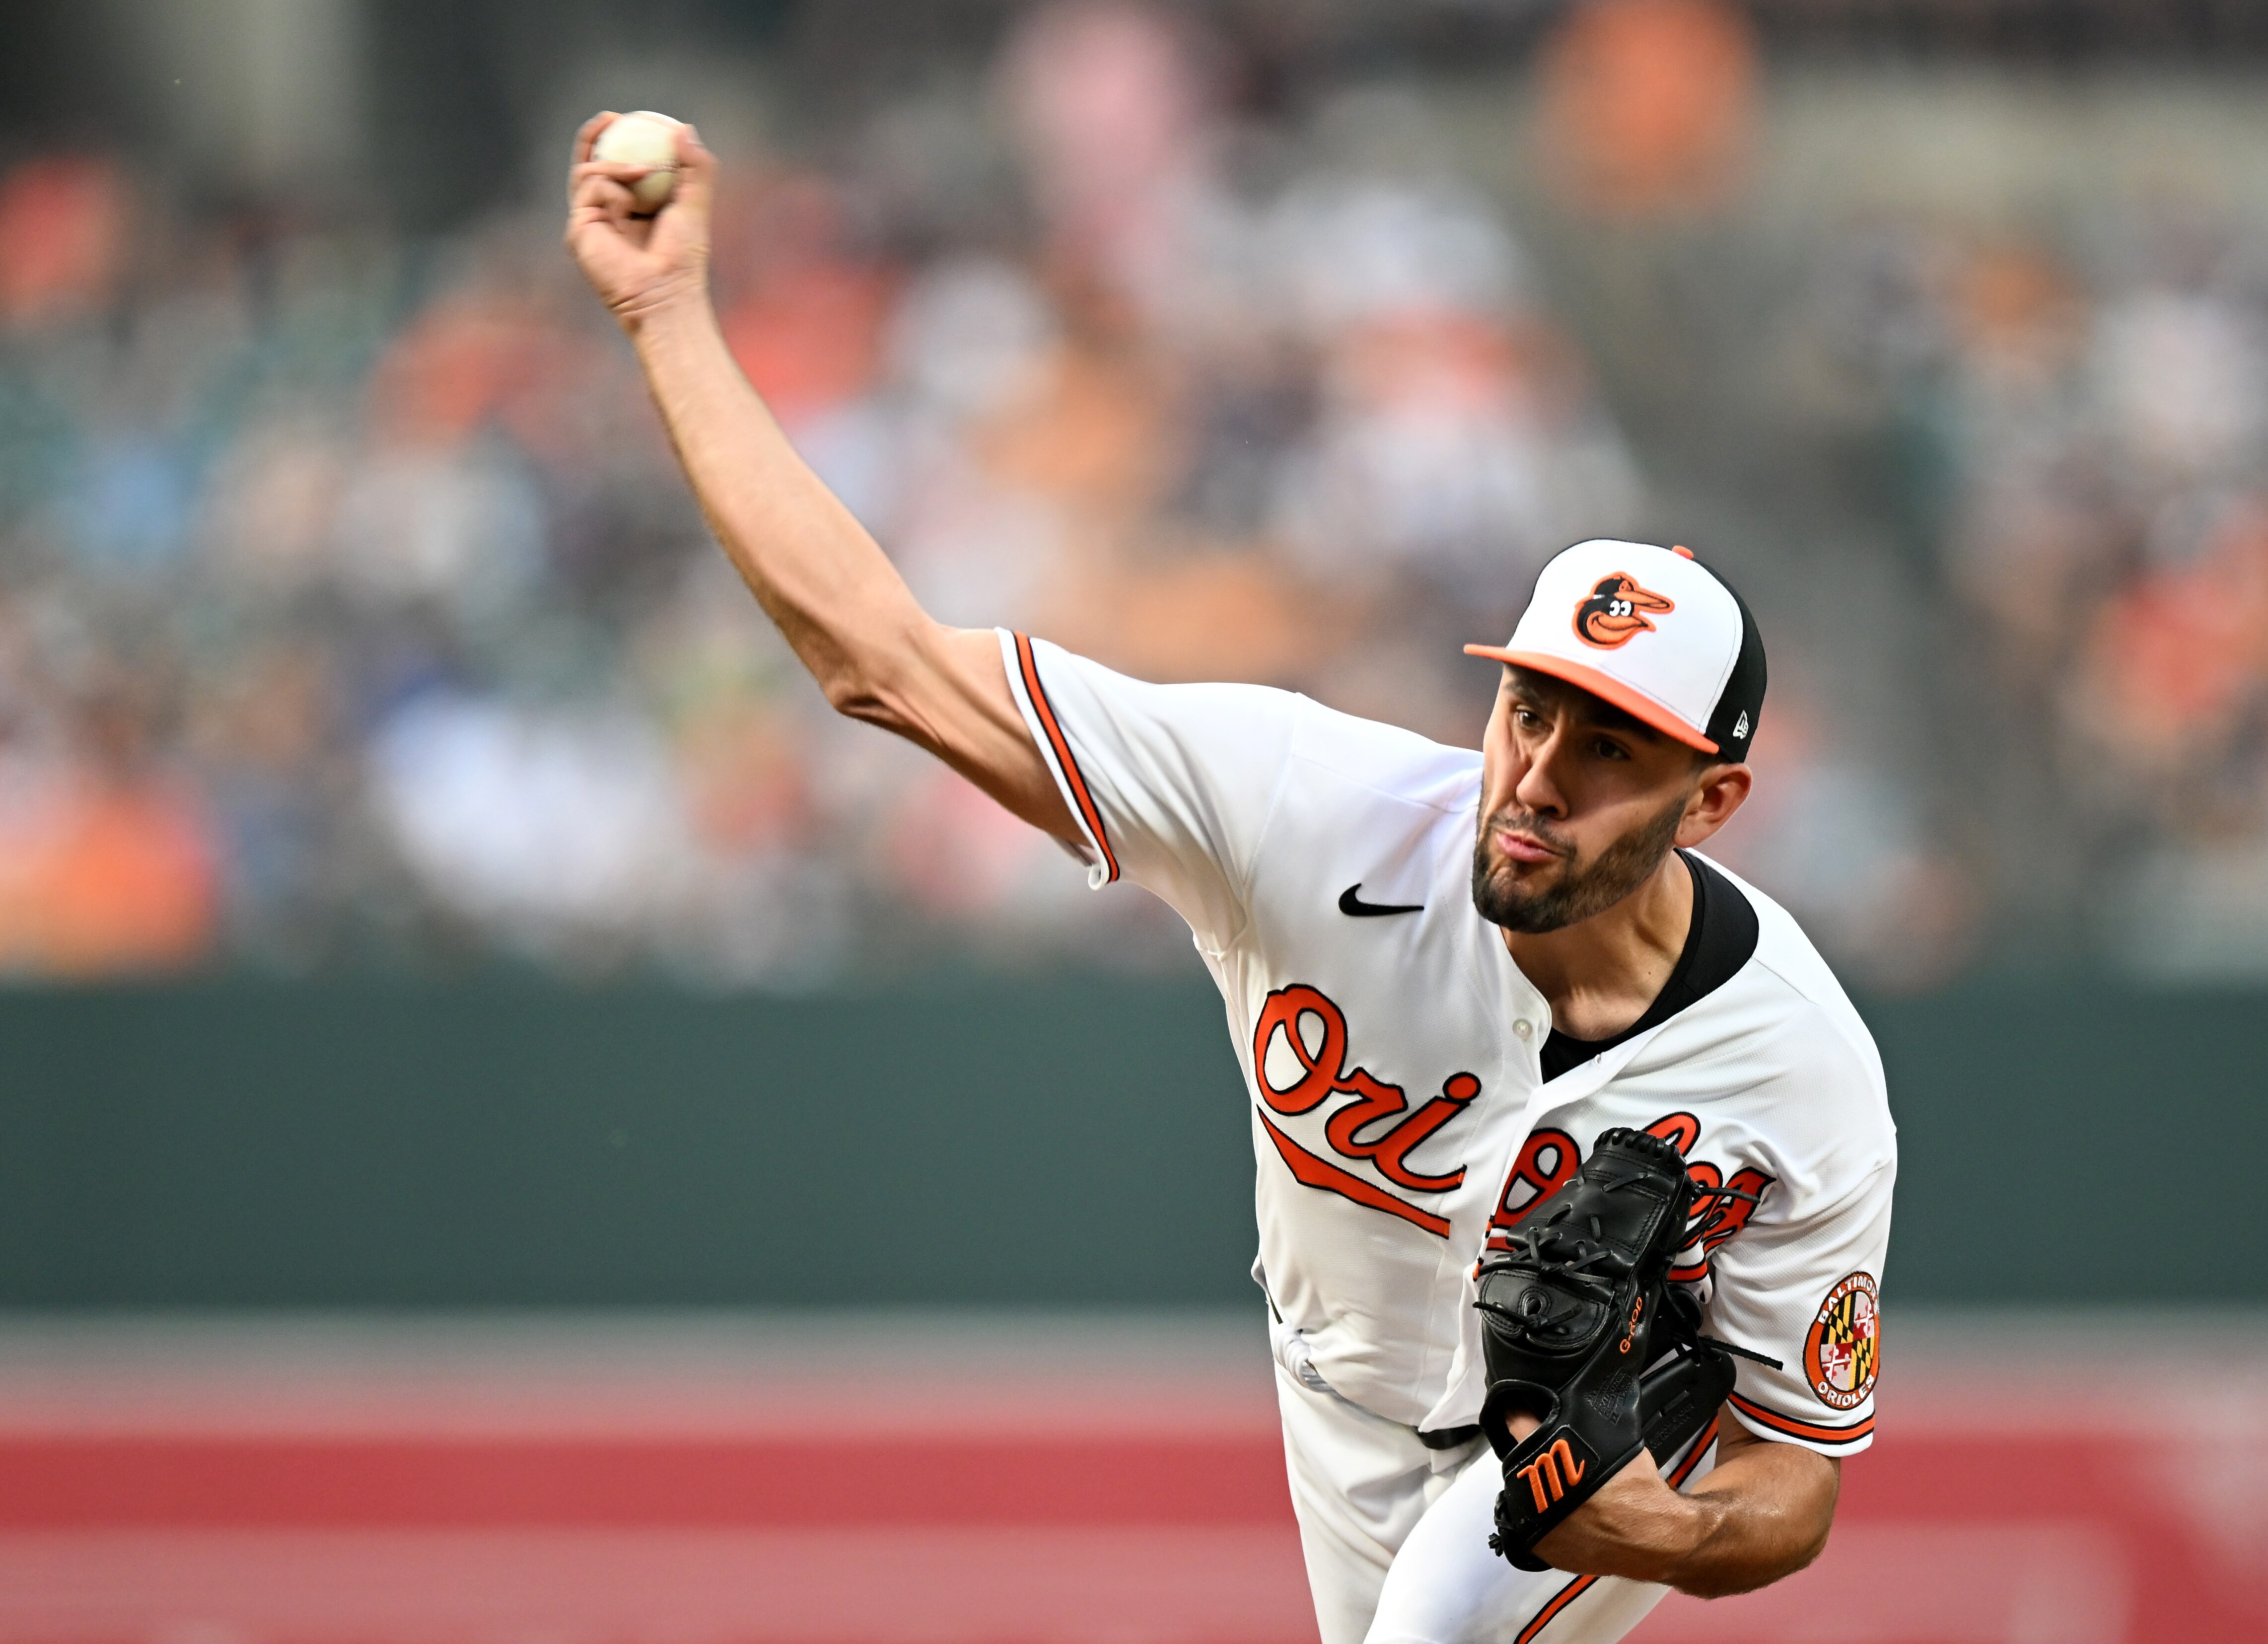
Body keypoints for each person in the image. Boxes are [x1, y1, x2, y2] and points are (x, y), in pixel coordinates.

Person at [566, 116, 1894, 1644]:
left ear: (1714, 801)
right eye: (1530, 708)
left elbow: (1798, 1476)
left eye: (1612, 748)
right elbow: (886, 667)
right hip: (1335, 1390)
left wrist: (1652, 1525)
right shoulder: (1307, 817)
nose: (1537, 772)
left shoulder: (1798, 1066)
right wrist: (665, 317)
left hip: (1598, 1426)